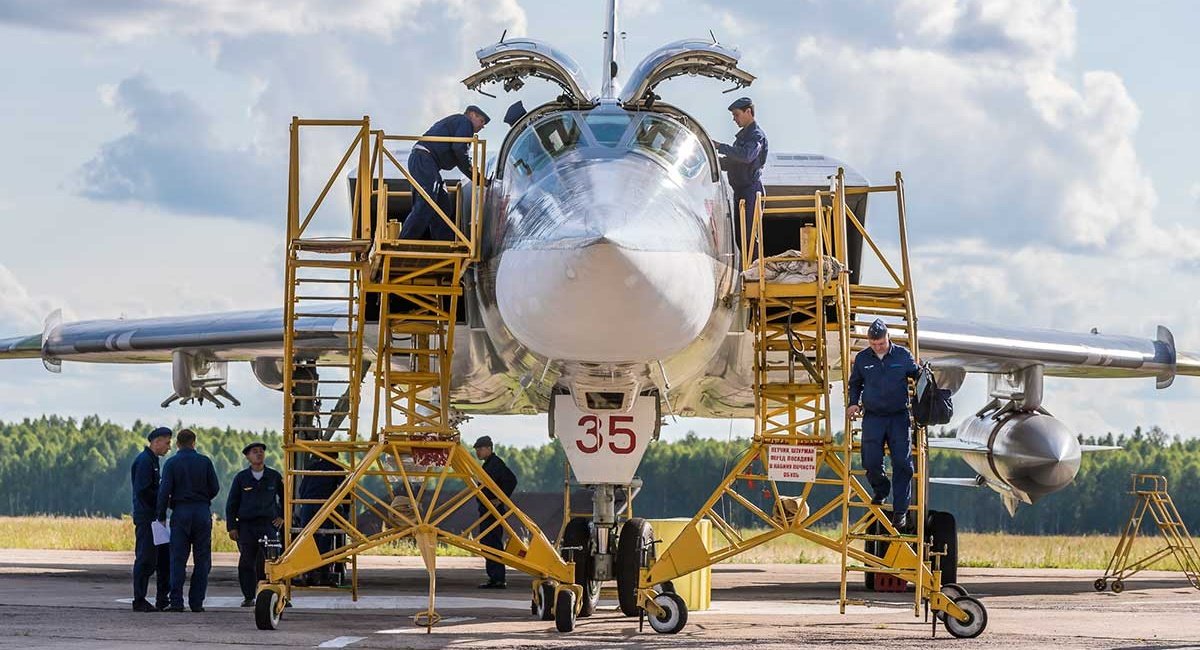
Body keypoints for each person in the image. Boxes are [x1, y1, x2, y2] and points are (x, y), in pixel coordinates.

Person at [846, 319, 920, 528]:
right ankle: (881, 489)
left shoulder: (903, 355)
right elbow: (855, 383)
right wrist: (853, 403)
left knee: (902, 464)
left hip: (898, 417)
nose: (878, 347)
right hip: (874, 417)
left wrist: (925, 382)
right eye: (874, 344)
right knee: (870, 461)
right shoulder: (862, 359)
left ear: (888, 338)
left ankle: (900, 511)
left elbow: (916, 376)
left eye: (881, 343)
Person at [398, 106, 490, 241]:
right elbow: (460, 150)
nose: (482, 126)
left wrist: (478, 179)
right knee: (427, 200)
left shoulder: (457, 125)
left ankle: (443, 244)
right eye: (481, 121)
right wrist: (479, 178)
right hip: (423, 158)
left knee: (442, 205)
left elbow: (460, 158)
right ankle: (404, 242)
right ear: (471, 114)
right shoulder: (464, 122)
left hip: (428, 163)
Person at [156, 428, 220, 612]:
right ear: (194, 442)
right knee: (202, 560)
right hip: (201, 512)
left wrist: (161, 514)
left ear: (177, 444)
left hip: (181, 512)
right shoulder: (205, 462)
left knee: (177, 559)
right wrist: (201, 498)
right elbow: (215, 487)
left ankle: (176, 602)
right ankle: (197, 602)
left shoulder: (171, 463)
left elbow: (164, 491)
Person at [225, 442, 284, 607]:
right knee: (246, 562)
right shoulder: (241, 478)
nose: (259, 454)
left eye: (261, 452)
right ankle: (249, 596)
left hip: (268, 524)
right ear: (248, 457)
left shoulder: (273, 476)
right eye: (254, 452)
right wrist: (232, 527)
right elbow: (232, 504)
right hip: (247, 526)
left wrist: (282, 517)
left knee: (274, 561)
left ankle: (279, 596)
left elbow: (285, 498)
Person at [713, 96, 769, 249]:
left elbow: (746, 156)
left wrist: (720, 146)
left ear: (748, 111)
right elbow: (732, 162)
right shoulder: (742, 138)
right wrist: (711, 158)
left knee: (749, 238)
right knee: (740, 238)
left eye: (736, 115)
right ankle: (749, 271)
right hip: (741, 193)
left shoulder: (756, 135)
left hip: (751, 191)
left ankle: (756, 272)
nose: (734, 119)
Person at [130, 426, 172, 612]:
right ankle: (139, 599)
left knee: (163, 559)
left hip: (156, 519)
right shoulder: (144, 461)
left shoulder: (153, 461)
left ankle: (162, 598)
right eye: (167, 442)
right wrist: (162, 501)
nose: (169, 447)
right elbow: (143, 491)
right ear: (156, 441)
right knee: (146, 559)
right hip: (148, 519)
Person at [473, 436, 517, 589]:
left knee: (492, 543)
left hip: (493, 511)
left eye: (479, 449)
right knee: (487, 542)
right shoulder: (489, 464)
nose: (477, 452)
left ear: (488, 448)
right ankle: (494, 577)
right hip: (487, 510)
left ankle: (498, 578)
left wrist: (500, 499)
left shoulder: (495, 464)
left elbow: (511, 480)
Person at [295, 453, 343, 587]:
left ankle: (306, 573)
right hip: (324, 507)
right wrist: (345, 511)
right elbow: (344, 490)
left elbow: (301, 489)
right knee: (324, 538)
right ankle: (323, 575)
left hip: (308, 506)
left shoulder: (313, 467)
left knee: (307, 539)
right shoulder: (337, 468)